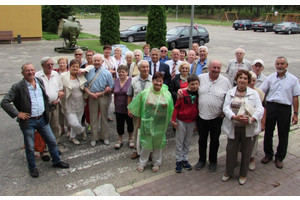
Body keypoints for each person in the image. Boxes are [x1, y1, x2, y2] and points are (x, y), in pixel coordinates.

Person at [1, 62, 69, 178]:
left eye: (32, 70)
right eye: (27, 70)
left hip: (42, 119)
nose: (30, 72)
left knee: (52, 141)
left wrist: (49, 105)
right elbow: (4, 102)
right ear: (23, 73)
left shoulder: (39, 81)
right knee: (30, 147)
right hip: (29, 121)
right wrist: (18, 114)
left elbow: (43, 98)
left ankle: (56, 161)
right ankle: (32, 168)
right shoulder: (17, 86)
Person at [221, 69, 264, 185]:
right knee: (231, 150)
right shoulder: (230, 92)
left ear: (248, 80)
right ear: (236, 79)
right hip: (234, 126)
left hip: (247, 126)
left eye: (245, 78)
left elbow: (260, 109)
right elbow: (225, 108)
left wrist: (252, 119)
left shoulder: (254, 93)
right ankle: (228, 172)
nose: (243, 80)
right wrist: (234, 117)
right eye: (240, 78)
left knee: (246, 151)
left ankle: (243, 174)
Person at [128, 72, 174, 173]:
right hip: (147, 123)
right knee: (146, 143)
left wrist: (170, 121)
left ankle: (156, 163)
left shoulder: (167, 94)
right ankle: (142, 162)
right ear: (152, 81)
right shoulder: (145, 93)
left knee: (158, 144)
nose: (158, 83)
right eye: (156, 81)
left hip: (161, 124)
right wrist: (139, 121)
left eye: (160, 81)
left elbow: (170, 109)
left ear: (163, 82)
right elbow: (139, 108)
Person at [259, 56, 300, 169]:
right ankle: (268, 154)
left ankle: (280, 157)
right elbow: (261, 92)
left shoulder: (293, 80)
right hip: (271, 107)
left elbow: (295, 97)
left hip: (285, 109)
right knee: (268, 132)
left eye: (282, 64)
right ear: (275, 65)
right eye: (278, 64)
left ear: (286, 65)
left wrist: (296, 113)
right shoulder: (270, 78)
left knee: (283, 134)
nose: (280, 66)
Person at [194, 60, 232, 172]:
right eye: (214, 67)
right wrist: (182, 90)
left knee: (215, 140)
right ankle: (201, 160)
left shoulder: (226, 82)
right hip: (202, 116)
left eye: (218, 68)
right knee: (202, 140)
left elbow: (230, 98)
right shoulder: (200, 78)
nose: (216, 70)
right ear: (209, 67)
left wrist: (224, 112)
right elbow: (191, 89)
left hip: (216, 117)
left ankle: (213, 161)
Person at [84, 54, 114, 147]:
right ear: (93, 61)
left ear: (102, 62)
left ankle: (104, 137)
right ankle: (94, 137)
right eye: (95, 60)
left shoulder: (107, 73)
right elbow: (84, 85)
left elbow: (112, 86)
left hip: (103, 96)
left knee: (104, 117)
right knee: (93, 117)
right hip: (92, 96)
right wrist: (90, 94)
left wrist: (104, 91)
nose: (97, 62)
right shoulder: (89, 72)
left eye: (98, 61)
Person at [171, 74, 199, 173]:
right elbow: (176, 107)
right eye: (192, 84)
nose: (194, 86)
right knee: (180, 141)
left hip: (192, 121)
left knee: (187, 142)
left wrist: (196, 123)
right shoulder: (182, 93)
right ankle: (178, 160)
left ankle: (185, 159)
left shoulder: (199, 94)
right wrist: (173, 120)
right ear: (188, 84)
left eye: (196, 84)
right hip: (181, 121)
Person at [36, 57, 64, 151]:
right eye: (48, 64)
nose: (50, 66)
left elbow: (60, 89)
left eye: (52, 64)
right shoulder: (37, 76)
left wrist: (59, 98)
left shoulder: (56, 74)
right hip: (43, 107)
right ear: (42, 65)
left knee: (55, 127)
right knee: (44, 128)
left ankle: (54, 146)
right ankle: (44, 147)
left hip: (54, 105)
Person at [127, 60, 153, 159]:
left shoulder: (152, 80)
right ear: (139, 69)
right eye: (143, 67)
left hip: (149, 110)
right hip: (137, 110)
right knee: (137, 130)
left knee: (148, 131)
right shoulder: (133, 80)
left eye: (147, 67)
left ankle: (149, 151)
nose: (146, 69)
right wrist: (129, 109)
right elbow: (129, 95)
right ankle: (137, 151)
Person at [60, 59, 87, 145]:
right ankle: (82, 130)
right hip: (68, 102)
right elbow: (59, 86)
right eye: (73, 66)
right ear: (69, 67)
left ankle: (72, 137)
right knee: (73, 123)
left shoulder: (80, 75)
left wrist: (82, 70)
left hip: (79, 102)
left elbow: (90, 67)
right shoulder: (63, 76)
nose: (75, 68)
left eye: (77, 67)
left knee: (78, 121)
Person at [113, 65, 133, 150]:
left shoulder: (131, 81)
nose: (121, 73)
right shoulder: (116, 81)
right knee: (119, 124)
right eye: (119, 72)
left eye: (123, 72)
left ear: (127, 72)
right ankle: (120, 140)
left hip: (129, 107)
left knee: (130, 123)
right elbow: (112, 90)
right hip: (118, 107)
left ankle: (130, 139)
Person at [248, 71, 265, 171]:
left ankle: (252, 159)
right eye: (250, 80)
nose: (251, 83)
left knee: (253, 141)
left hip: (254, 121)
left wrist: (263, 122)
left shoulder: (259, 92)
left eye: (254, 81)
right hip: (242, 121)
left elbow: (263, 108)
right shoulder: (240, 90)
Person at [55, 57, 70, 136]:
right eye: (60, 63)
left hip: (67, 95)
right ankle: (62, 127)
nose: (62, 64)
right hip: (57, 95)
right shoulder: (55, 72)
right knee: (59, 112)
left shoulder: (69, 72)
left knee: (67, 112)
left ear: (67, 64)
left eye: (64, 63)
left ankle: (69, 128)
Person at [102, 45, 117, 122]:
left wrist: (113, 71)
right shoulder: (101, 59)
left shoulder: (113, 58)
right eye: (106, 50)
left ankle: (107, 115)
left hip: (112, 80)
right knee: (103, 98)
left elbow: (116, 69)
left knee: (110, 99)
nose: (108, 51)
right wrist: (108, 72)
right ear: (103, 50)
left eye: (109, 50)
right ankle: (102, 115)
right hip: (104, 81)